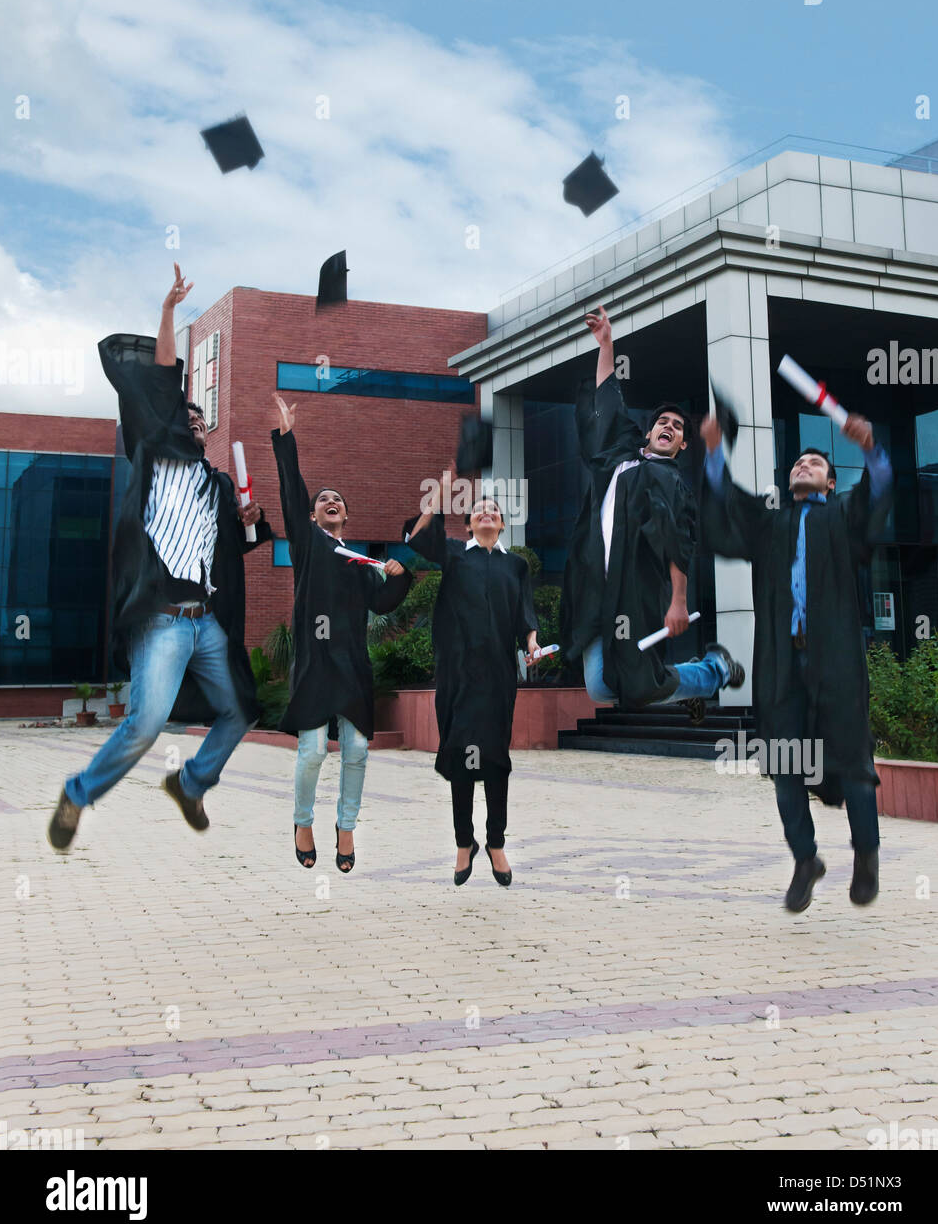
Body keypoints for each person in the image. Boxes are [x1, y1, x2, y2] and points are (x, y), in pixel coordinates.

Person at [48, 264, 272, 851]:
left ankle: (192, 782)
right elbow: (166, 375)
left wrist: (250, 524)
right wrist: (170, 311)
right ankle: (78, 793)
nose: (193, 422)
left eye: (200, 420)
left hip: (208, 621)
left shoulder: (217, 484)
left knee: (239, 710)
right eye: (186, 416)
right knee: (146, 723)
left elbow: (240, 547)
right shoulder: (154, 454)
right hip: (164, 618)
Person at [699, 410, 893, 911]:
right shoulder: (771, 523)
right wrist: (717, 451)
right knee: (784, 764)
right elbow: (727, 508)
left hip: (837, 663)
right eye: (798, 462)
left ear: (831, 481)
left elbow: (878, 493)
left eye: (815, 463)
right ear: (789, 481)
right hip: (782, 665)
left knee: (853, 760)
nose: (804, 465)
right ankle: (805, 859)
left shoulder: (843, 517)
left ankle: (866, 853)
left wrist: (870, 448)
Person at [560, 307, 744, 716]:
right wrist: (607, 343)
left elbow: (679, 541)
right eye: (663, 421)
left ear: (681, 446)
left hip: (636, 595)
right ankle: (689, 681)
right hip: (593, 590)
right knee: (600, 688)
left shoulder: (671, 482)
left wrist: (678, 601)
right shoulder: (619, 453)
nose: (669, 426)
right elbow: (609, 397)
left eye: (678, 427)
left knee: (638, 685)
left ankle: (712, 670)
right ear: (649, 431)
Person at [271, 394, 412, 872]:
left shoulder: (358, 563)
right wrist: (287, 438)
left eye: (338, 500)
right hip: (314, 663)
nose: (331, 502)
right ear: (312, 518)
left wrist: (398, 574)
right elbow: (293, 491)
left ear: (346, 518)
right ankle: (302, 821)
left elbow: (382, 603)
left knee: (355, 747)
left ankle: (345, 828)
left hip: (351, 665)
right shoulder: (309, 546)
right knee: (312, 749)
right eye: (323, 500)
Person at [405, 471, 539, 887]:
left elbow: (525, 617)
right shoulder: (453, 555)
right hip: (457, 676)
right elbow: (417, 536)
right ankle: (465, 842)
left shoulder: (515, 565)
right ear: (468, 524)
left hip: (498, 676)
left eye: (494, 511)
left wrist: (532, 643)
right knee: (461, 756)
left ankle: (495, 841)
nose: (486, 512)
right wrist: (439, 495)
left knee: (495, 758)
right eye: (479, 509)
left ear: (502, 525)